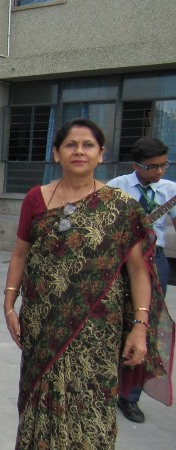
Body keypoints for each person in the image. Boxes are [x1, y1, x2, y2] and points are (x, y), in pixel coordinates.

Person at [3, 118, 174, 449]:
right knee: (40, 401)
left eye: (88, 145)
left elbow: (139, 270)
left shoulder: (121, 207)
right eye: (71, 145)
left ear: (101, 154)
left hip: (97, 330)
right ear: (56, 153)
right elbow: (20, 252)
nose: (79, 151)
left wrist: (140, 326)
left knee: (90, 406)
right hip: (43, 324)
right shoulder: (36, 198)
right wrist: (10, 304)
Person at [106, 136, 176, 423]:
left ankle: (130, 395)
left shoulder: (170, 190)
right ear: (136, 165)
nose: (159, 171)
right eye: (152, 166)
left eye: (164, 165)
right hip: (120, 261)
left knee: (145, 324)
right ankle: (107, 384)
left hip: (155, 260)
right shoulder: (117, 187)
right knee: (112, 321)